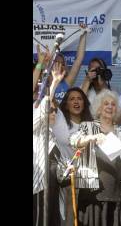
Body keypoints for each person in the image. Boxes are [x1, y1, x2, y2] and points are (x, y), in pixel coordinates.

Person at [69, 89, 121, 226]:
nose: (110, 107)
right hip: (93, 193)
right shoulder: (87, 127)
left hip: (117, 193)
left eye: (113, 104)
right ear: (99, 108)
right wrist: (92, 138)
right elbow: (73, 141)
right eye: (106, 104)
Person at [52, 87, 93, 226]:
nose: (76, 101)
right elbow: (49, 98)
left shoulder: (92, 125)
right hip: (66, 182)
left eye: (80, 98)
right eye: (72, 99)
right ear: (66, 104)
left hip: (88, 183)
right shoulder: (59, 119)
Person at [33, 62, 66, 225]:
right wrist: (54, 84)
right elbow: (42, 108)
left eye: (55, 110)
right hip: (38, 190)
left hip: (52, 193)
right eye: (50, 110)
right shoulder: (35, 128)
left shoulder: (52, 135)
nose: (53, 112)